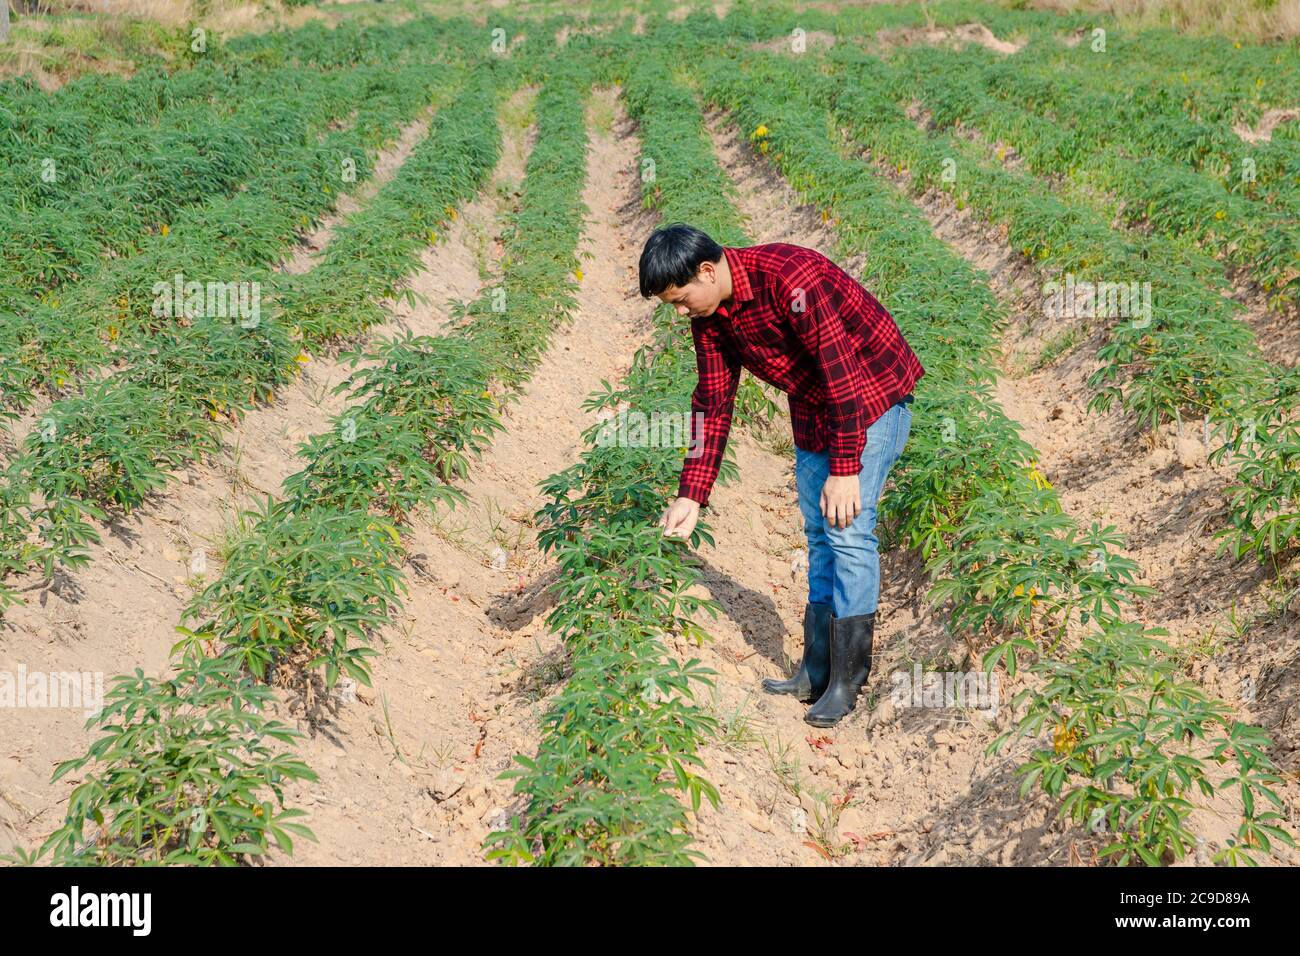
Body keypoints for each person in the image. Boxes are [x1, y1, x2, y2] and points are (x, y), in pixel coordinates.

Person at [638, 223, 922, 727]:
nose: (680, 312)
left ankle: (847, 681)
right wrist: (692, 494)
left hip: (872, 397)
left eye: (680, 300)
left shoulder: (792, 280)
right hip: (816, 405)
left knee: (849, 531)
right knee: (819, 532)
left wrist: (844, 468)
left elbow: (842, 376)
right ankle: (815, 669)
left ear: (707, 271)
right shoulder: (711, 316)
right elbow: (712, 401)